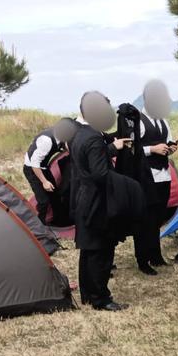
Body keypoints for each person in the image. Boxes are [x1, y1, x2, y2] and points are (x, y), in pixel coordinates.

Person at [70, 91, 131, 311]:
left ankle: (89, 293)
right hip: (97, 200)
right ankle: (101, 299)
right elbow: (100, 173)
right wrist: (114, 150)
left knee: (88, 249)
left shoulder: (80, 133)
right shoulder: (94, 137)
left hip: (83, 198)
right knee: (101, 250)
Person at [132, 79, 178, 275]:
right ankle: (143, 260)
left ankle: (156, 256)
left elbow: (166, 142)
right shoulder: (137, 122)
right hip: (145, 177)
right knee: (144, 220)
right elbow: (130, 150)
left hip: (164, 175)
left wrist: (171, 148)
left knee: (157, 218)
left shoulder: (163, 120)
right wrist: (152, 149)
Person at [23, 118, 78, 224]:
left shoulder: (60, 137)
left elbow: (63, 146)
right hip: (32, 169)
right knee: (43, 201)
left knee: (55, 197)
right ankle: (39, 227)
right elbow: (35, 164)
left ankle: (60, 222)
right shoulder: (46, 140)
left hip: (43, 167)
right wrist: (44, 182)